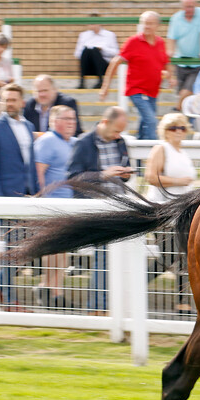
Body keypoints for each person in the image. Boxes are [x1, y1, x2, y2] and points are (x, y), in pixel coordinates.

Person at [67, 107, 132, 315]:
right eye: (115, 131)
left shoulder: (120, 142)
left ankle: (109, 307)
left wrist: (125, 174)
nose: (118, 136)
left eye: (120, 132)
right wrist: (103, 175)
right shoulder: (84, 143)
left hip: (119, 205)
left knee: (118, 259)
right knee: (103, 258)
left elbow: (125, 169)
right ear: (104, 122)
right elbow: (74, 178)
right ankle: (96, 308)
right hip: (97, 207)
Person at [0, 84, 38, 312]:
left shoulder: (28, 126)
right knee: (12, 248)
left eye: (13, 100)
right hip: (6, 197)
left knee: (22, 247)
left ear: (22, 102)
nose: (9, 103)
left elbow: (30, 161)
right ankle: (10, 301)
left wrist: (36, 191)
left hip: (28, 197)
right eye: (6, 100)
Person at [145, 113, 196, 314]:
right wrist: (178, 182)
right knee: (169, 256)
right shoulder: (161, 148)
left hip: (180, 211)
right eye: (173, 128)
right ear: (165, 131)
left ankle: (183, 303)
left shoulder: (182, 153)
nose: (178, 131)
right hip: (161, 209)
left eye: (181, 127)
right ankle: (134, 287)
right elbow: (151, 176)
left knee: (184, 255)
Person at [100, 11, 171, 141]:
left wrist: (170, 76)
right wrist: (105, 86)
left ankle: (137, 157)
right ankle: (152, 153)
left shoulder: (161, 42)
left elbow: (165, 62)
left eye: (150, 23)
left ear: (157, 25)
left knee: (144, 124)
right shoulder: (133, 41)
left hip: (153, 91)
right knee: (151, 121)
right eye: (144, 23)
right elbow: (115, 61)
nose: (147, 26)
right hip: (137, 90)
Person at [33, 105, 77, 308]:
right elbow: (38, 173)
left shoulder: (74, 143)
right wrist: (41, 201)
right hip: (51, 204)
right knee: (53, 250)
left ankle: (54, 291)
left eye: (73, 118)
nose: (71, 122)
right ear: (54, 121)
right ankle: (49, 289)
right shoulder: (47, 142)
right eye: (66, 119)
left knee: (63, 250)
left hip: (69, 204)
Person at [167, 0, 200, 111]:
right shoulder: (176, 18)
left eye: (191, 7)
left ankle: (176, 110)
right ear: (182, 6)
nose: (189, 10)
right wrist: (170, 52)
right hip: (181, 61)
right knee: (184, 94)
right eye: (186, 7)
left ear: (196, 5)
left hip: (197, 62)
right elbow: (171, 39)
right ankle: (184, 119)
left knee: (187, 91)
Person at [73, 14, 119, 89]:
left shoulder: (109, 35)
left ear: (100, 23)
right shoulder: (83, 35)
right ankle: (82, 82)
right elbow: (77, 54)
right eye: (90, 23)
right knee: (88, 50)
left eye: (94, 23)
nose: (92, 25)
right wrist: (88, 50)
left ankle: (101, 81)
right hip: (88, 66)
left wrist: (102, 49)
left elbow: (116, 53)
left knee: (95, 50)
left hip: (103, 66)